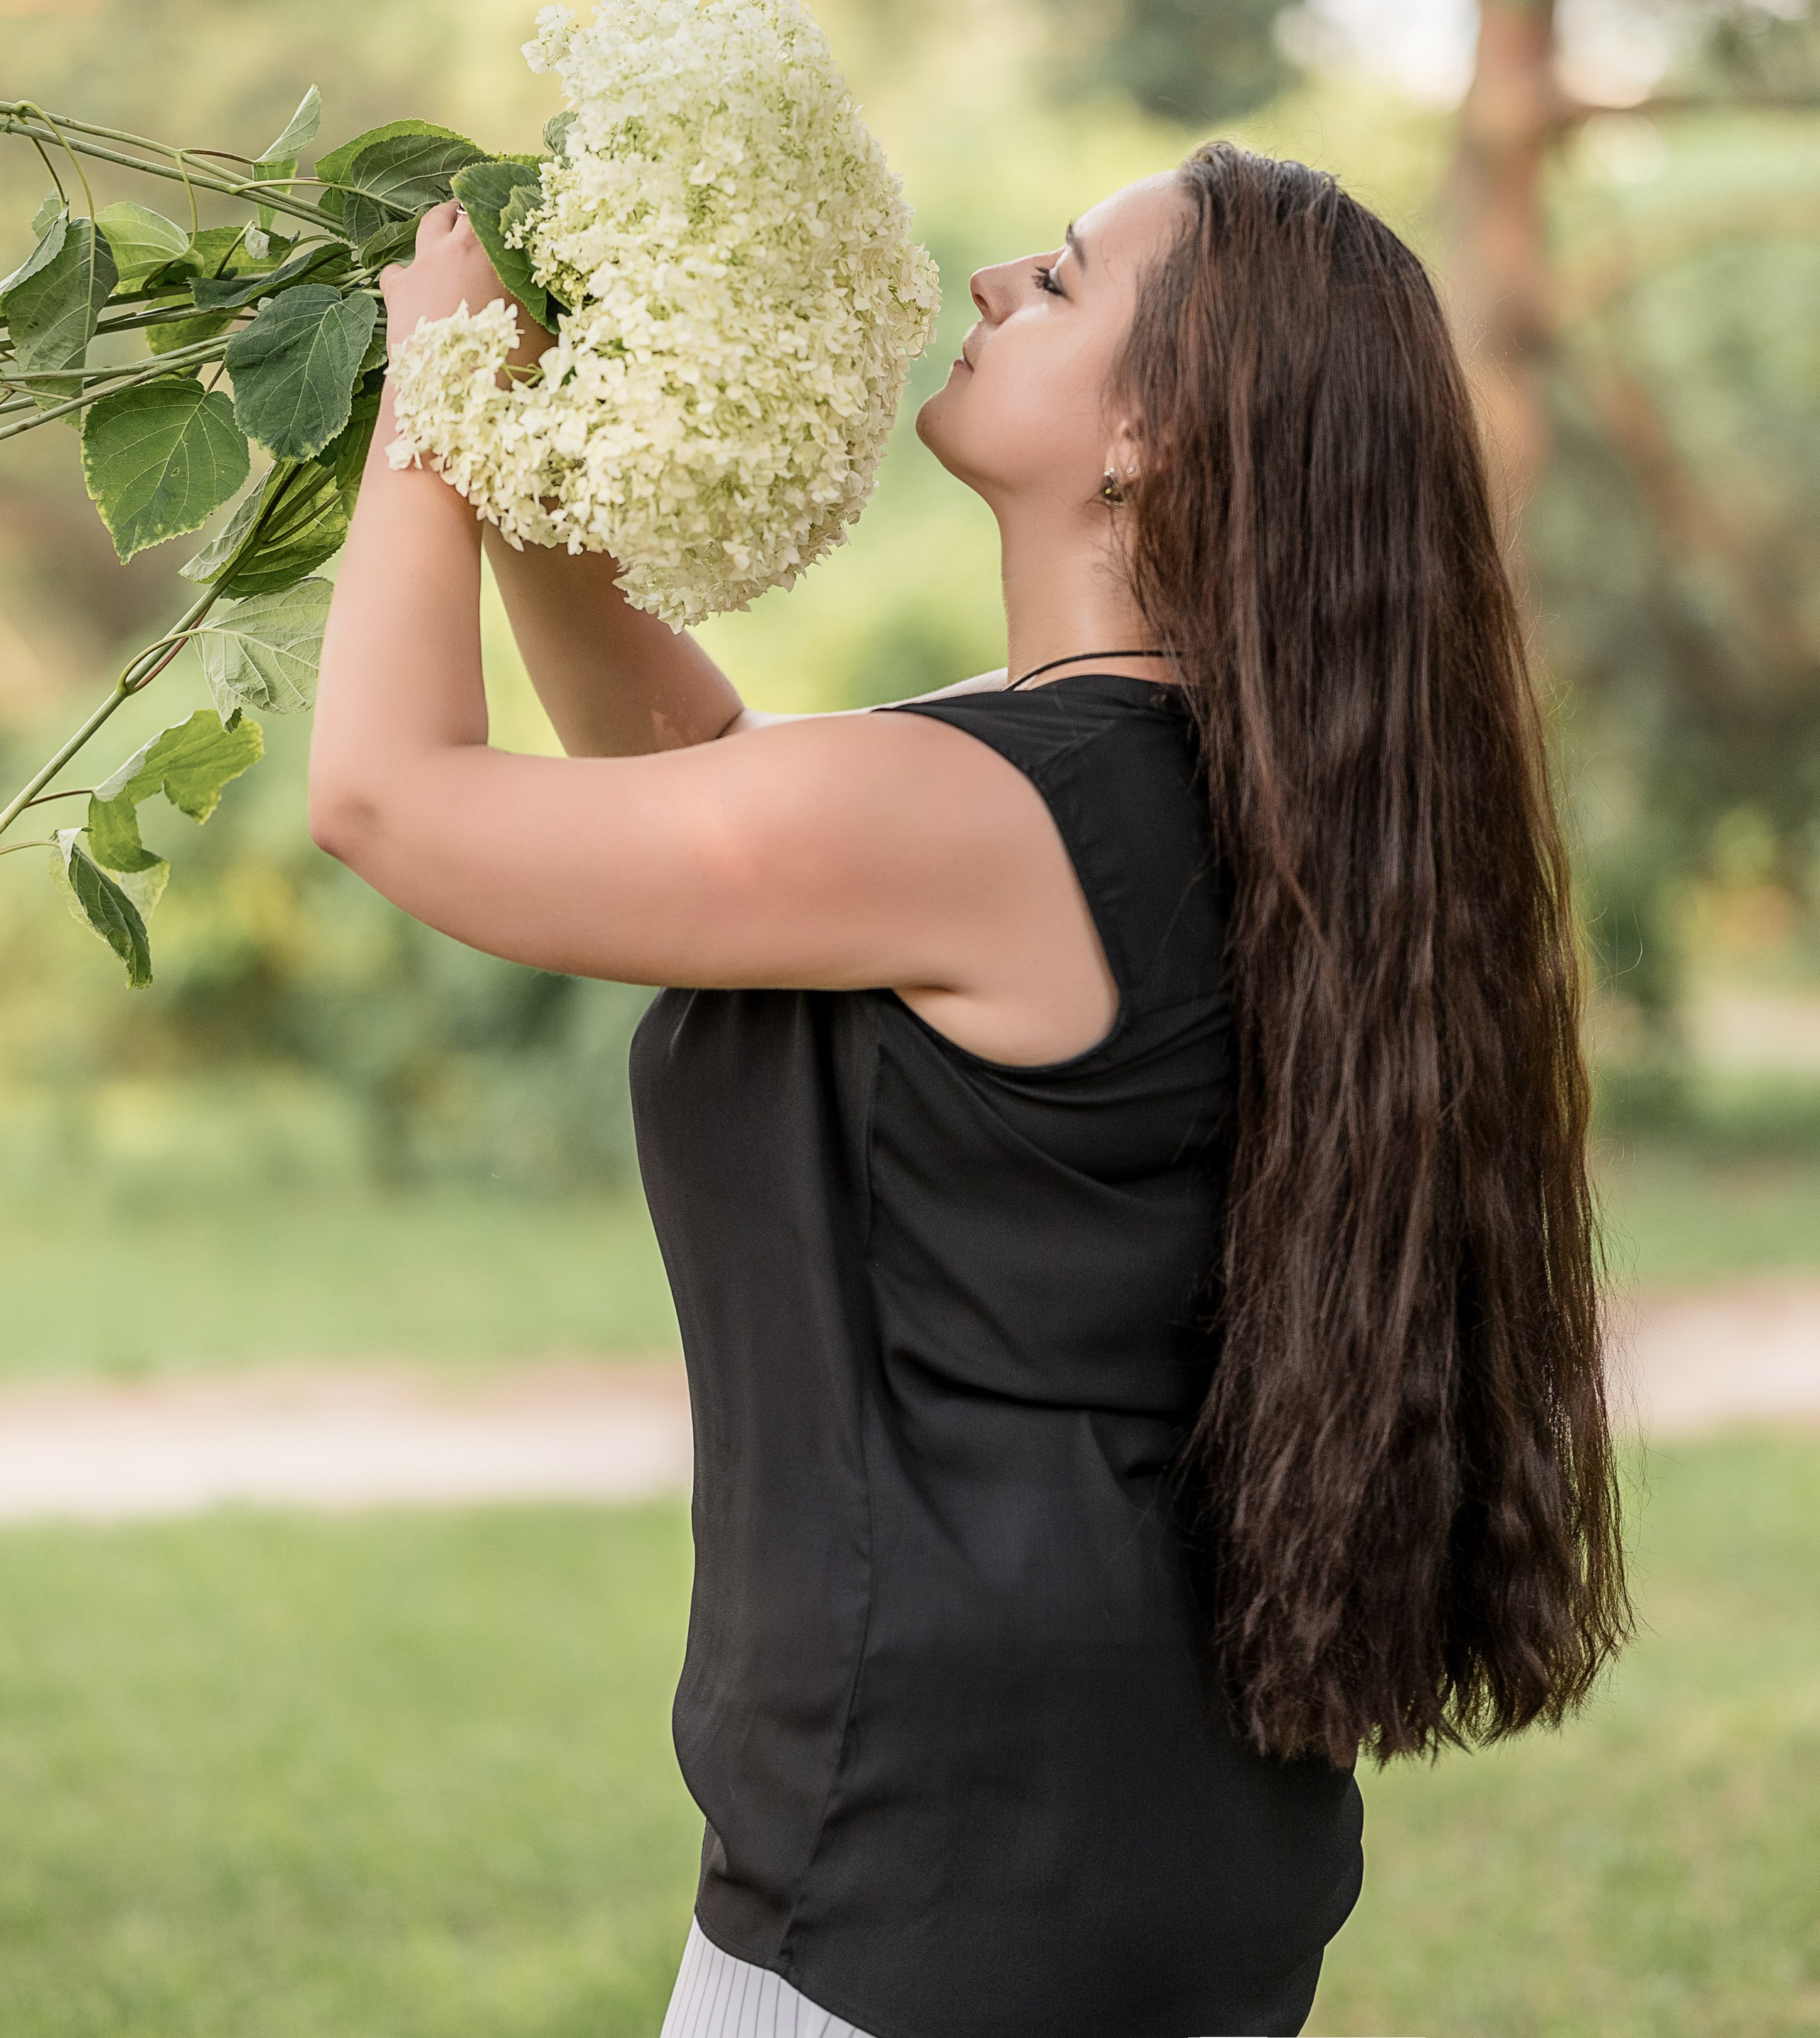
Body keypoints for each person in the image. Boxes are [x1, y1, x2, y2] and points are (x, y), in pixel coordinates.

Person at [310, 139, 1629, 2038]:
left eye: (1072, 280)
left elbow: (384, 794)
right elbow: (695, 764)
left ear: (1153, 439)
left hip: (928, 1869)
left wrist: (427, 393)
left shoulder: (989, 813)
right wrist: (522, 457)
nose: (1001, 273)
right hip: (1164, 1834)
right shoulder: (1169, 792)